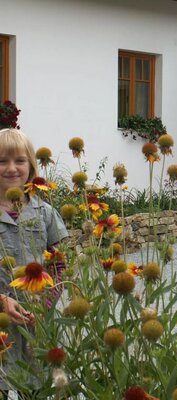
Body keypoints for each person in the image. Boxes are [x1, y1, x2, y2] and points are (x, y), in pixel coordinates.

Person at [0, 128, 69, 398]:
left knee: (39, 386)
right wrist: (2, 300)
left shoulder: (45, 212)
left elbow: (60, 264)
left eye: (19, 160)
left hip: (39, 322)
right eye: (2, 161)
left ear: (30, 164)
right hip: (2, 323)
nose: (11, 168)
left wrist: (46, 304)